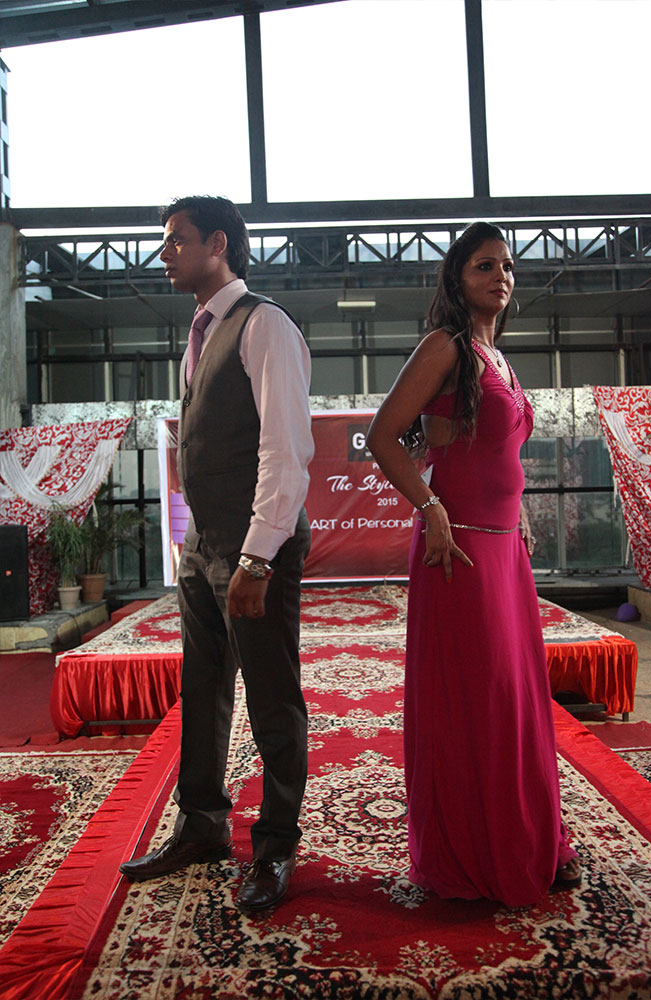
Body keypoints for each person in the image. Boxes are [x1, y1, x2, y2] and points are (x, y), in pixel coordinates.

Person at [367, 222, 581, 907]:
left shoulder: (498, 356)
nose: (501, 277)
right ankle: (477, 851)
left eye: (507, 266)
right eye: (485, 265)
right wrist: (429, 507)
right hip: (455, 548)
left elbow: (496, 456)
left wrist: (518, 523)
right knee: (478, 701)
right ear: (457, 278)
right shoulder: (445, 347)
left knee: (518, 700)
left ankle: (531, 838)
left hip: (503, 549)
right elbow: (381, 436)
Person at [119, 195, 314, 913]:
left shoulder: (264, 324)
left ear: (219, 244)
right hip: (203, 545)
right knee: (201, 690)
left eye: (177, 240)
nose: (164, 253)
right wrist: (195, 545)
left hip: (253, 547)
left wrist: (257, 559)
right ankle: (201, 826)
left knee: (271, 695)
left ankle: (275, 846)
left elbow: (286, 451)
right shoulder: (200, 331)